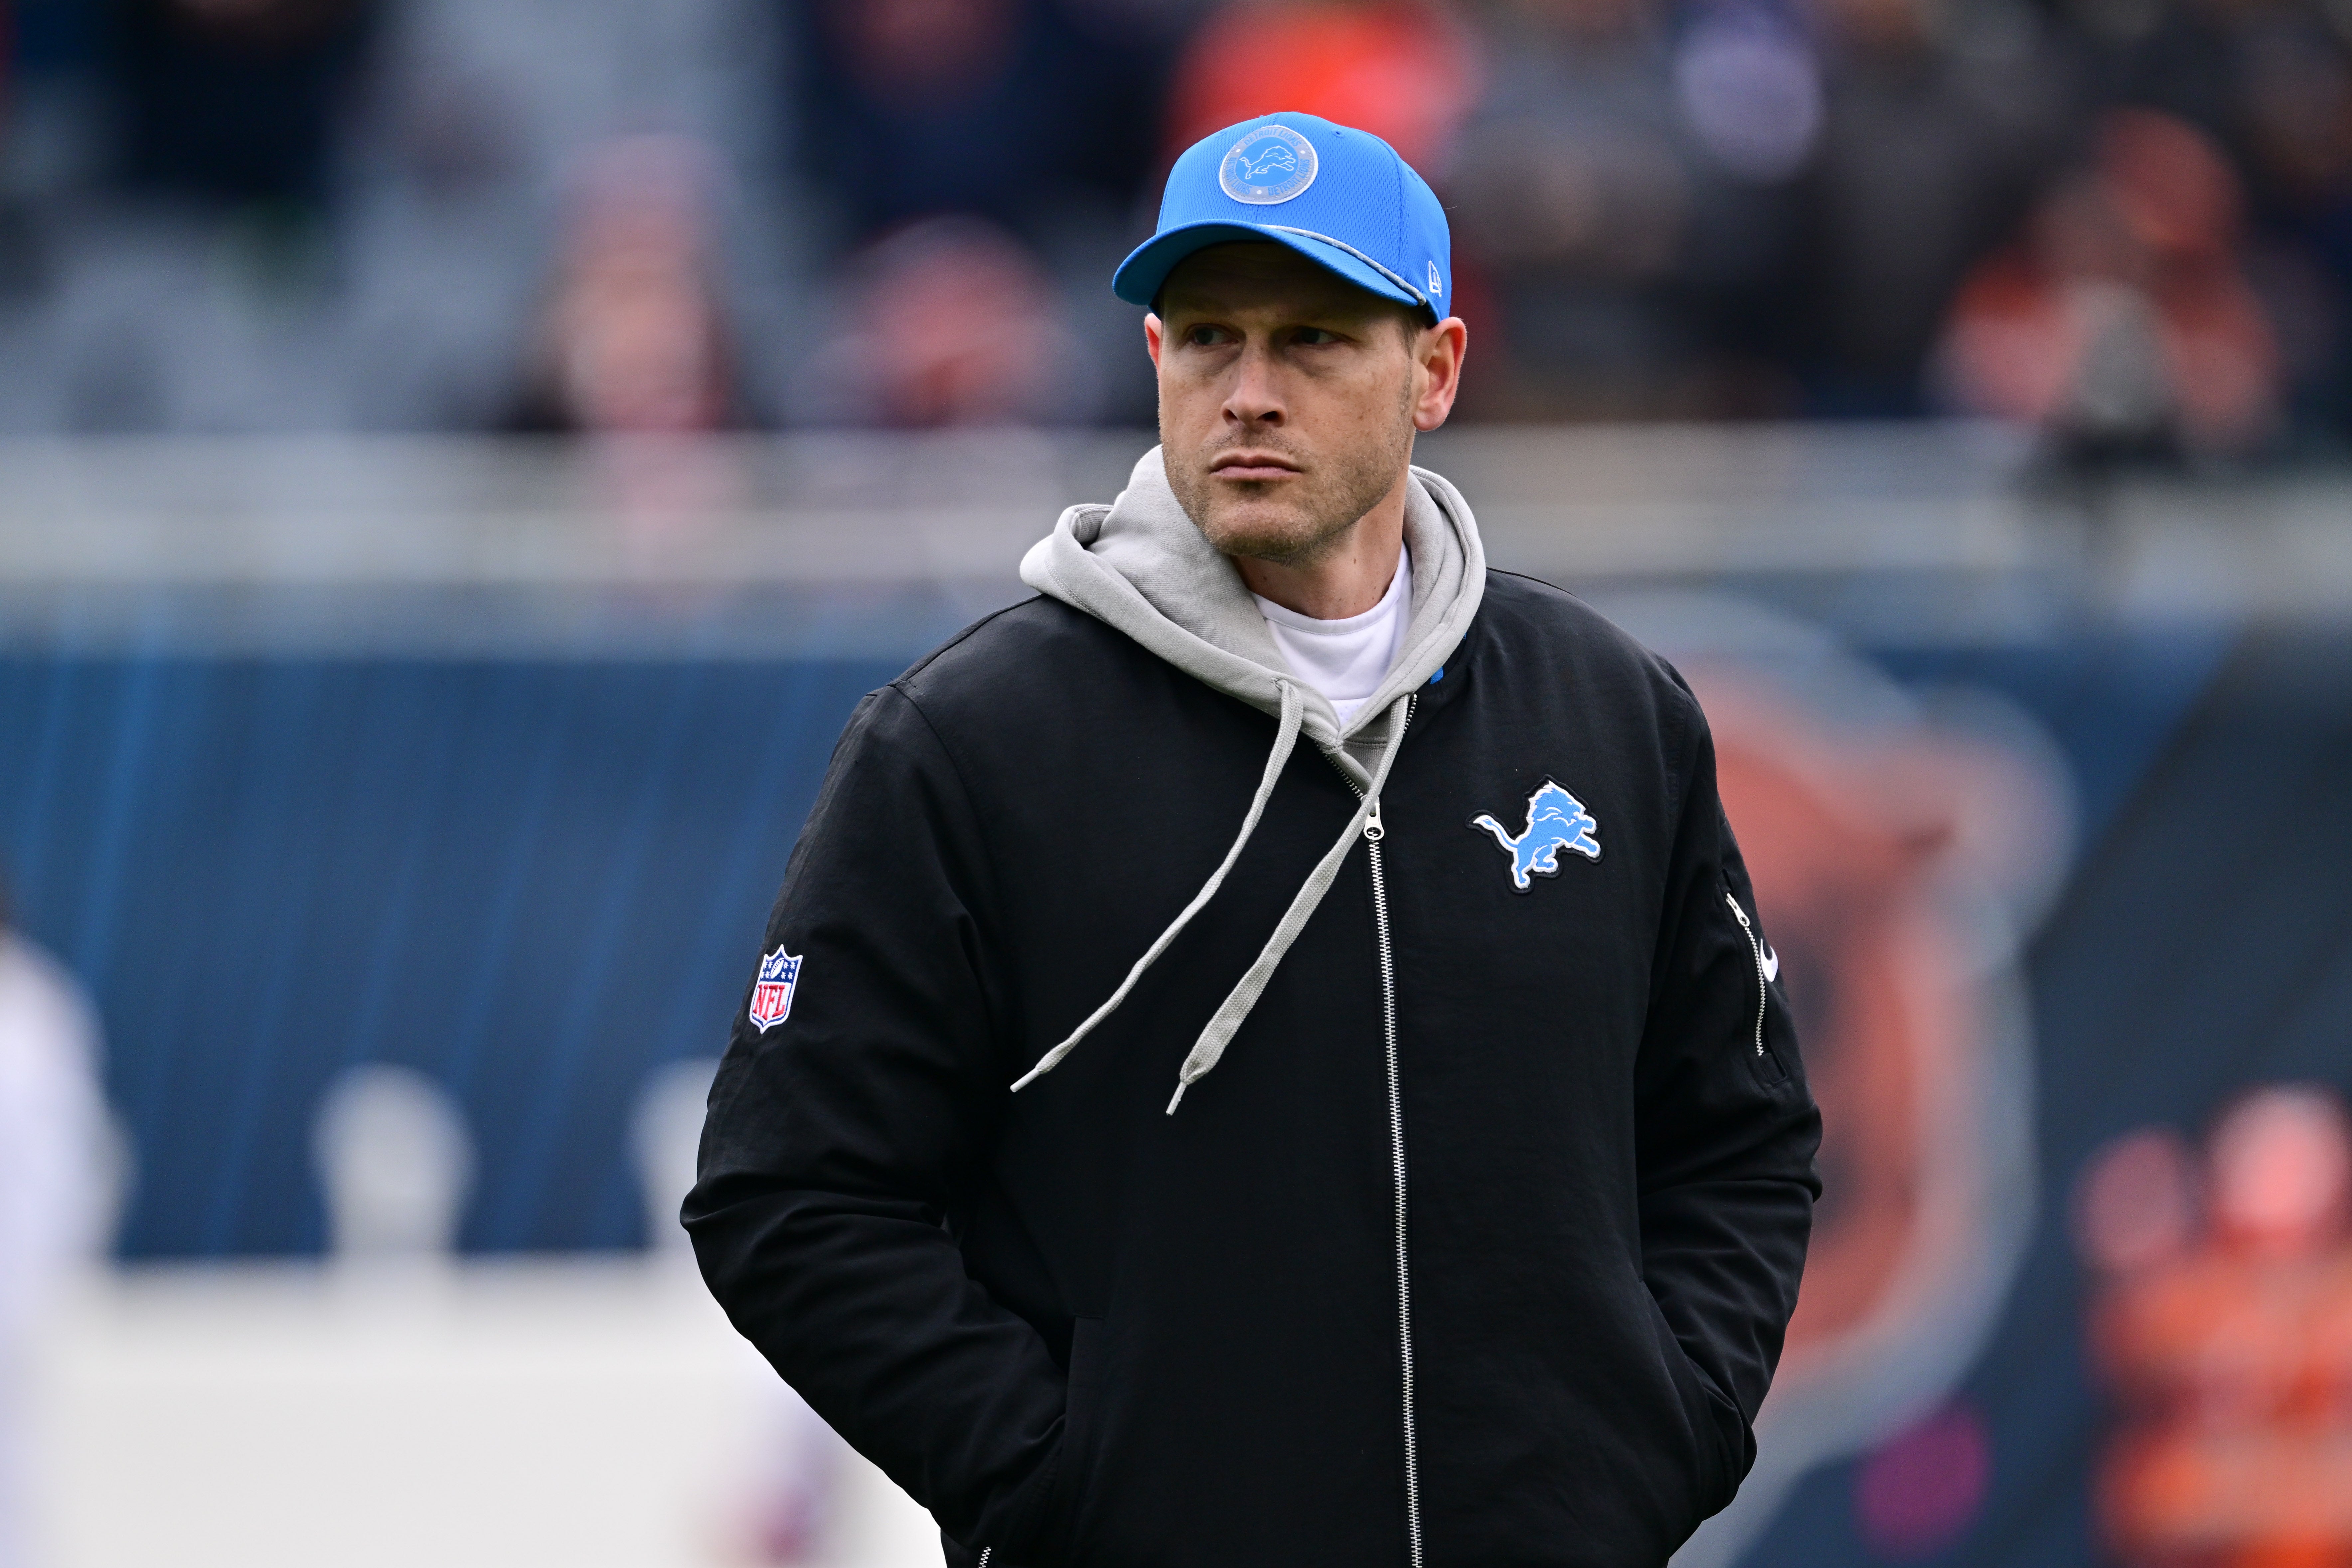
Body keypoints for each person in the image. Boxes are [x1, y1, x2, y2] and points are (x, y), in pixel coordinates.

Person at [688, 112, 1820, 1568]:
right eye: (1209, 339)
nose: (1249, 394)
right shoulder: (971, 745)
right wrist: (1057, 1481)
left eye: (1313, 343)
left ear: (1436, 371)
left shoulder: (1609, 717)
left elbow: (1741, 1138)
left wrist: (1658, 1437)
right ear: (1154, 360)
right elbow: (786, 1191)